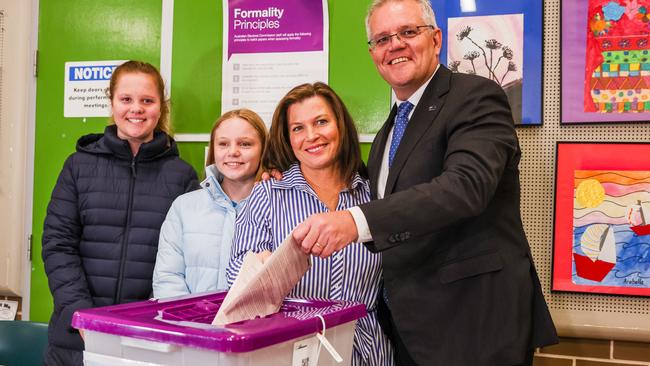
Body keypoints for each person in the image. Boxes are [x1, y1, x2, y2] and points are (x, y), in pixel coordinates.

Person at [291, 1, 558, 365]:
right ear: (373, 54)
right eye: (382, 38)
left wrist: (354, 221)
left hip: (474, 327)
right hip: (408, 333)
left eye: (408, 32)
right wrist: (280, 169)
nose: (394, 44)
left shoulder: (476, 97)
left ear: (436, 39)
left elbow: (466, 186)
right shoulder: (387, 134)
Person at [41, 60, 199, 365]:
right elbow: (57, 245)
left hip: (145, 340)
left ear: (161, 107)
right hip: (74, 340)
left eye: (147, 100)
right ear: (112, 101)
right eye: (126, 99)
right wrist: (81, 314)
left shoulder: (182, 176)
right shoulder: (78, 166)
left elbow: (188, 259)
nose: (136, 109)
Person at [226, 82, 393, 365]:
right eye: (298, 128)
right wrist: (263, 269)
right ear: (288, 137)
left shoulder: (373, 195)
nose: (312, 136)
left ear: (340, 125)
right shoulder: (268, 194)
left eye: (321, 122)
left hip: (367, 352)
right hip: (288, 352)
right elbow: (237, 283)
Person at [152, 109, 267, 298]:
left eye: (245, 144)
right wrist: (188, 323)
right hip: (191, 324)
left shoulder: (278, 208)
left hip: (258, 325)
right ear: (213, 149)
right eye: (223, 144)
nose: (233, 152)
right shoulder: (184, 207)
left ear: (263, 149)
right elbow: (168, 278)